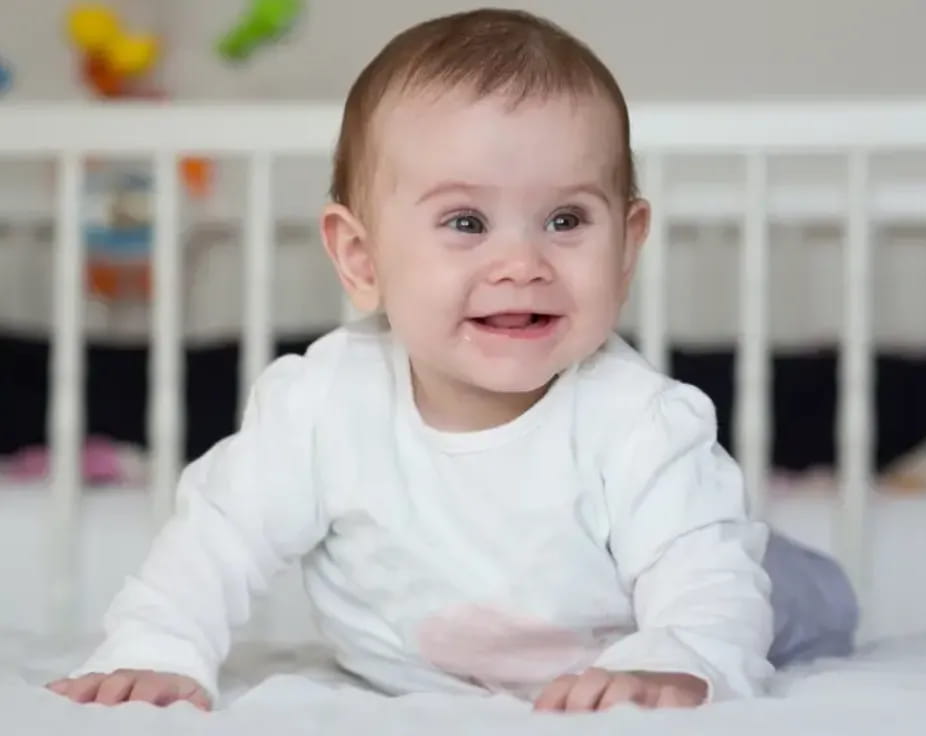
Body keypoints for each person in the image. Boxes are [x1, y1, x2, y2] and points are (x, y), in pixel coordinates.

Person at [46, 8, 857, 714]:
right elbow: (213, 540)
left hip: (705, 587)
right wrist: (155, 647)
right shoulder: (322, 405)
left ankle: (794, 574)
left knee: (759, 579)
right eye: (466, 222)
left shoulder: (639, 419)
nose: (521, 262)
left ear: (627, 246)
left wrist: (680, 658)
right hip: (423, 658)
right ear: (361, 258)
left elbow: (704, 587)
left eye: (566, 219)